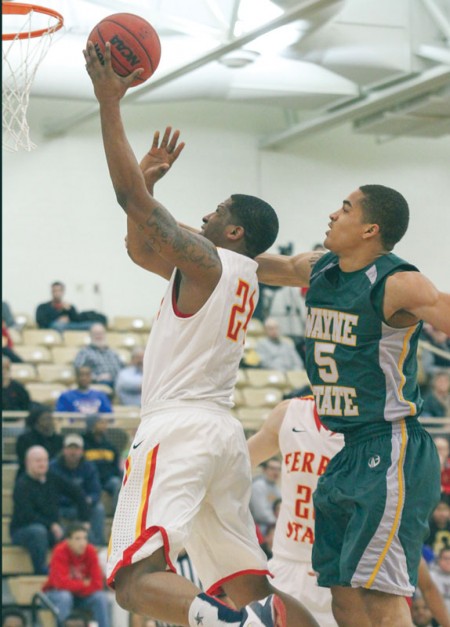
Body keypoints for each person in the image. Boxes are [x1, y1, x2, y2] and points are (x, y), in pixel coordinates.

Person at [83, 41, 318, 627]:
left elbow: (128, 200)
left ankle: (232, 626)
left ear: (233, 230)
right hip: (222, 435)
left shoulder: (211, 261)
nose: (205, 217)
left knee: (135, 584)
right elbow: (141, 245)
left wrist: (109, 103)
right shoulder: (236, 273)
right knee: (245, 581)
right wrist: (149, 189)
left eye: (214, 213)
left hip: (179, 427)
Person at [254, 183, 450, 625]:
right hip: (350, 447)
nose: (332, 214)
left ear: (370, 229)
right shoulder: (320, 268)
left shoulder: (399, 281)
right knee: (342, 594)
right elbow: (263, 264)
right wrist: (178, 234)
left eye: (345, 208)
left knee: (379, 596)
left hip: (392, 443)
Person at [247, 396, 344, 626]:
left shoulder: (368, 426)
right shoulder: (289, 413)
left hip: (337, 573)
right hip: (286, 565)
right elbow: (237, 462)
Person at [10, 446, 90, 574]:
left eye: (45, 460)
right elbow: (27, 515)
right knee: (38, 532)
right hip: (23, 531)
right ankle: (41, 571)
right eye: (38, 461)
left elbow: (78, 493)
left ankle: (75, 571)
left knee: (74, 535)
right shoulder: (21, 485)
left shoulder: (53, 478)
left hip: (52, 529)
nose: (42, 464)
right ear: (28, 463)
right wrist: (51, 525)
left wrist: (85, 520)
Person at [43, 523, 110, 627]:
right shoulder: (59, 551)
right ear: (68, 541)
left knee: (100, 597)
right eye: (77, 539)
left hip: (80, 596)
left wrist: (75, 586)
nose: (82, 543)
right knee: (65, 597)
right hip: (54, 594)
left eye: (84, 538)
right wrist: (84, 584)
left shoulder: (91, 551)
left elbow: (97, 584)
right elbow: (60, 584)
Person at [50, 433, 107, 546]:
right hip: (61, 507)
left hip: (83, 506)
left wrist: (88, 500)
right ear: (64, 450)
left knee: (99, 509)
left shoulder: (89, 467)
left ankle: (98, 546)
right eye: (70, 448)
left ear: (82, 451)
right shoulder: (53, 467)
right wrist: (75, 499)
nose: (73, 452)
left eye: (76, 449)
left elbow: (96, 491)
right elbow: (49, 492)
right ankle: (61, 546)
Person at [82, 414, 123, 511]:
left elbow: (115, 466)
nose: (104, 425)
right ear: (91, 425)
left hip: (107, 480)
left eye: (105, 423)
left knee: (117, 483)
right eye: (100, 422)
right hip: (88, 478)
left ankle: (117, 513)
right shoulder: (83, 444)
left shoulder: (110, 445)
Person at [16, 404, 63, 474]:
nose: (49, 422)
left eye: (50, 418)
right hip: (29, 475)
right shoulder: (24, 439)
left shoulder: (58, 439)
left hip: (53, 475)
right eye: (45, 419)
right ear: (35, 422)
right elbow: (24, 462)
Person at [73, 323, 123, 389]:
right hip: (98, 383)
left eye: (101, 333)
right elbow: (78, 369)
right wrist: (96, 377)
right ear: (90, 336)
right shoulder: (84, 352)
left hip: (118, 381)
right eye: (96, 334)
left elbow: (123, 368)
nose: (99, 336)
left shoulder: (113, 353)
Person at [249, 458, 282, 536]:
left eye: (278, 469)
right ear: (264, 470)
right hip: (258, 527)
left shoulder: (275, 488)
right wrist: (279, 524)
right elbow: (261, 514)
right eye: (272, 468)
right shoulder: (258, 485)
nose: (276, 472)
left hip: (272, 525)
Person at [429, 547, 450, 615]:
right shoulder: (430, 575)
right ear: (439, 560)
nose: (448, 562)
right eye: (445, 558)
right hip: (434, 615)